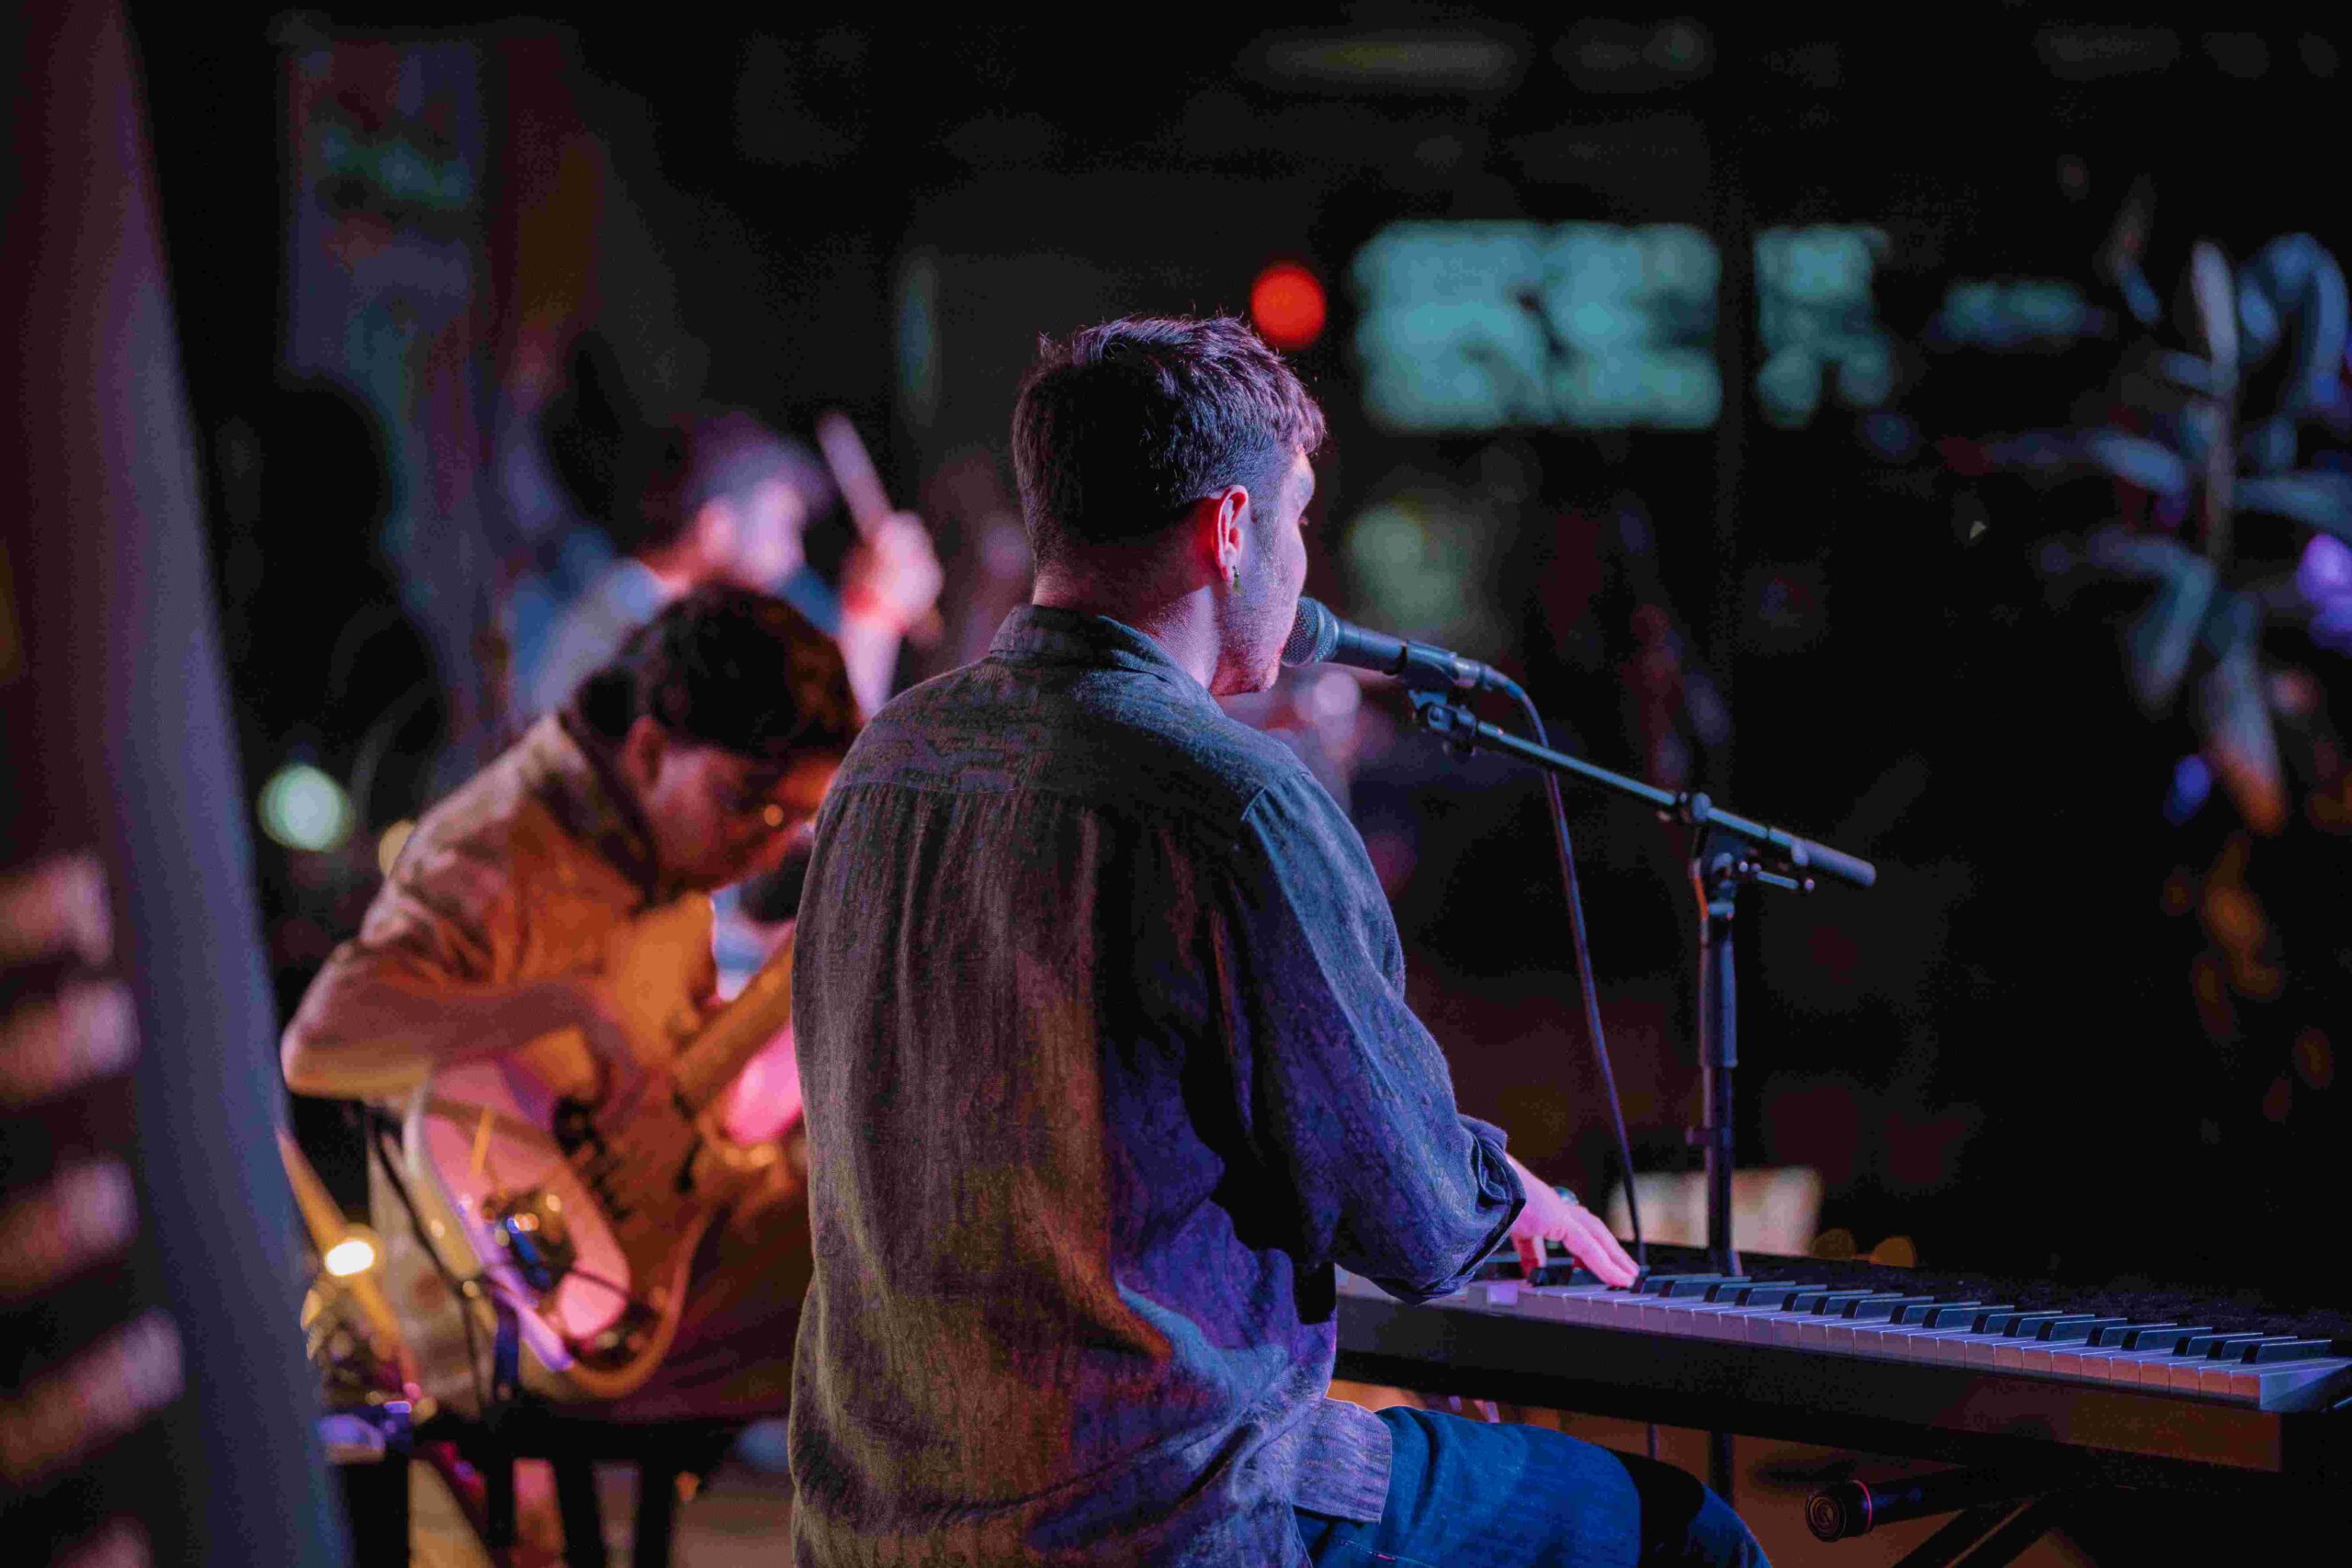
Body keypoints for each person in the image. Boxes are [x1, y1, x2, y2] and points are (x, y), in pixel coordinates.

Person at [786, 315, 1766, 1565]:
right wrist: (1487, 1183)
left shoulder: (885, 762)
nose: (1301, 565)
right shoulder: (1231, 799)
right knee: (1682, 1531)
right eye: (1297, 520)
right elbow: (1408, 1217)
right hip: (1163, 1513)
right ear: (1229, 526)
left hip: (873, 1517)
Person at [281, 584, 860, 1425]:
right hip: (506, 1318)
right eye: (750, 802)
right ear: (652, 750)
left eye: (795, 820)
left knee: (905, 1205)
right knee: (885, 1269)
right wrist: (560, 1005)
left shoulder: (665, 854)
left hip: (657, 1244)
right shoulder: (497, 847)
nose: (770, 843)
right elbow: (319, 1044)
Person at [514, 410, 942, 724]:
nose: (794, 555)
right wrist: (871, 619)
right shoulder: (627, 628)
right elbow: (812, 797)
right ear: (713, 525)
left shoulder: (711, 621)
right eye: (782, 524)